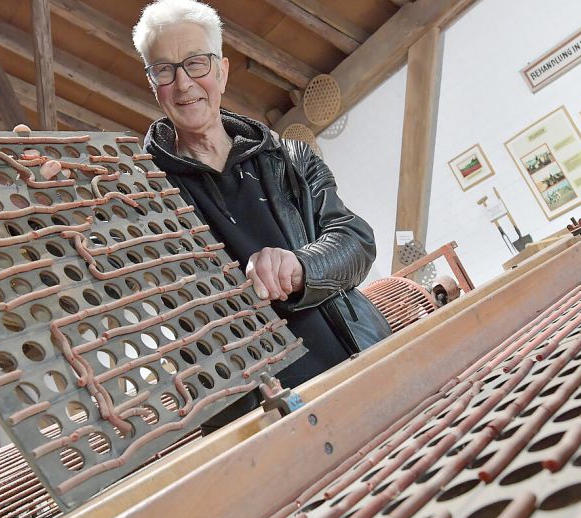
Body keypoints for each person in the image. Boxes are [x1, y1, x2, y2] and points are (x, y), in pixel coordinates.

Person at [132, 0, 391, 430]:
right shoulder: (144, 197)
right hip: (256, 421)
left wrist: (301, 264)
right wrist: (44, 196)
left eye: (196, 63)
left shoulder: (291, 158)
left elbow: (355, 239)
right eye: (164, 70)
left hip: (358, 366)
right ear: (152, 84)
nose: (183, 84)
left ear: (221, 71)